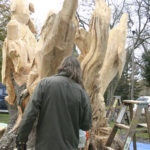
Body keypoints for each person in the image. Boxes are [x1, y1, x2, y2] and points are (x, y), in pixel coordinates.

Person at [16, 56, 92, 150]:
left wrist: (21, 140)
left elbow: (29, 114)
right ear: (78, 71)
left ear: (62, 67)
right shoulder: (82, 92)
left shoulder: (44, 84)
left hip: (45, 146)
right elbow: (86, 124)